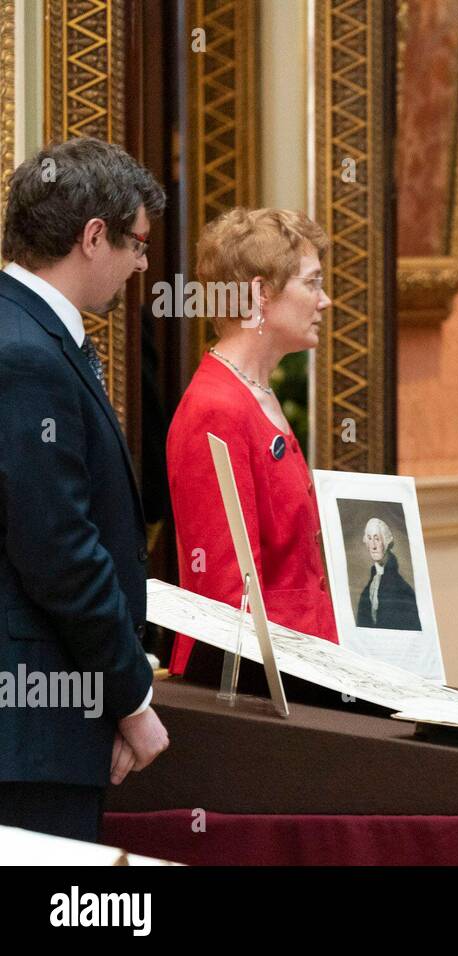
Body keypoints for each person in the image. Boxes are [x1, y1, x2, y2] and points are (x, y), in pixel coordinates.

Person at [0, 137, 169, 841]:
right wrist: (131, 696)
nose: (143, 264)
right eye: (136, 243)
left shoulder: (31, 334)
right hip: (31, 733)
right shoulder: (25, 353)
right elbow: (59, 550)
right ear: (93, 236)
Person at [167, 208, 338, 688]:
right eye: (312, 283)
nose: (325, 301)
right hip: (264, 689)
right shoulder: (216, 408)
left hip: (305, 667)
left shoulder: (253, 394)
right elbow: (226, 597)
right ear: (262, 294)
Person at [356, 518, 421, 631]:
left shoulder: (402, 590)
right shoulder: (368, 588)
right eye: (370, 539)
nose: (373, 546)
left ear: (386, 542)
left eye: (377, 539)